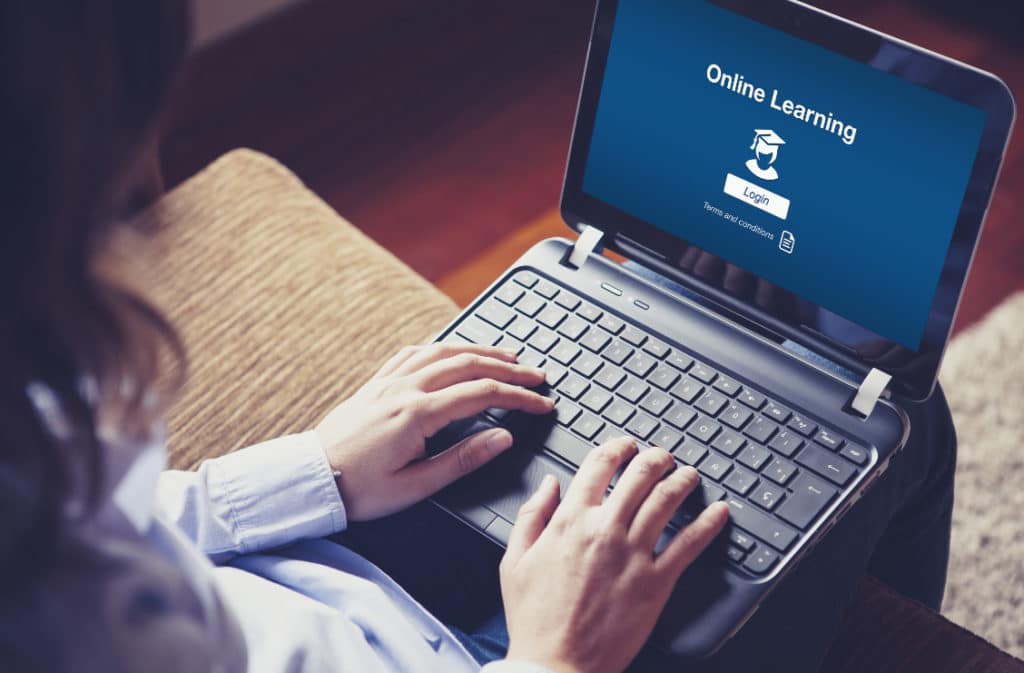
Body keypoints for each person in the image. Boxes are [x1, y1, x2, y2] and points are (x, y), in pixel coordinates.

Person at [0, 2, 957, 673]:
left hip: (330, 576)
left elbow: (113, 522)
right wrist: (552, 656)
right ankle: (786, 254)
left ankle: (748, 261)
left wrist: (313, 470)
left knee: (734, 321)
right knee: (903, 416)